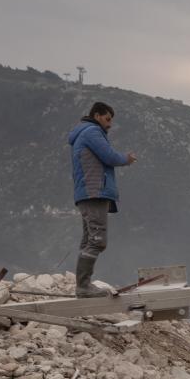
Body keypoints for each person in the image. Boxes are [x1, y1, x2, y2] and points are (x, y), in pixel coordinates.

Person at [67, 102, 137, 297]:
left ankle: (83, 284)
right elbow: (109, 157)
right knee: (97, 241)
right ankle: (83, 286)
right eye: (107, 119)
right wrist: (127, 158)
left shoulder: (84, 133)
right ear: (97, 115)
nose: (110, 124)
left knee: (89, 240)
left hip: (88, 193)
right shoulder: (92, 132)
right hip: (94, 192)